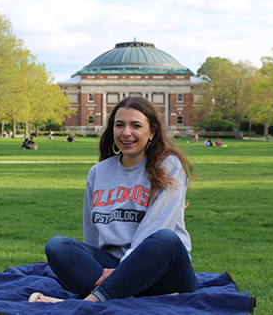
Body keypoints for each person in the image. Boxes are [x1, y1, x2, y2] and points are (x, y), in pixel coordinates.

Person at [30, 96, 198, 303]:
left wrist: (124, 271)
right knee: (57, 246)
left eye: (136, 125)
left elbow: (155, 227)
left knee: (165, 238)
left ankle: (88, 303)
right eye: (120, 125)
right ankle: (125, 294)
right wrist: (98, 266)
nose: (126, 133)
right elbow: (91, 233)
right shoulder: (99, 172)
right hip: (112, 265)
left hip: (164, 268)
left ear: (151, 132)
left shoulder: (170, 167)